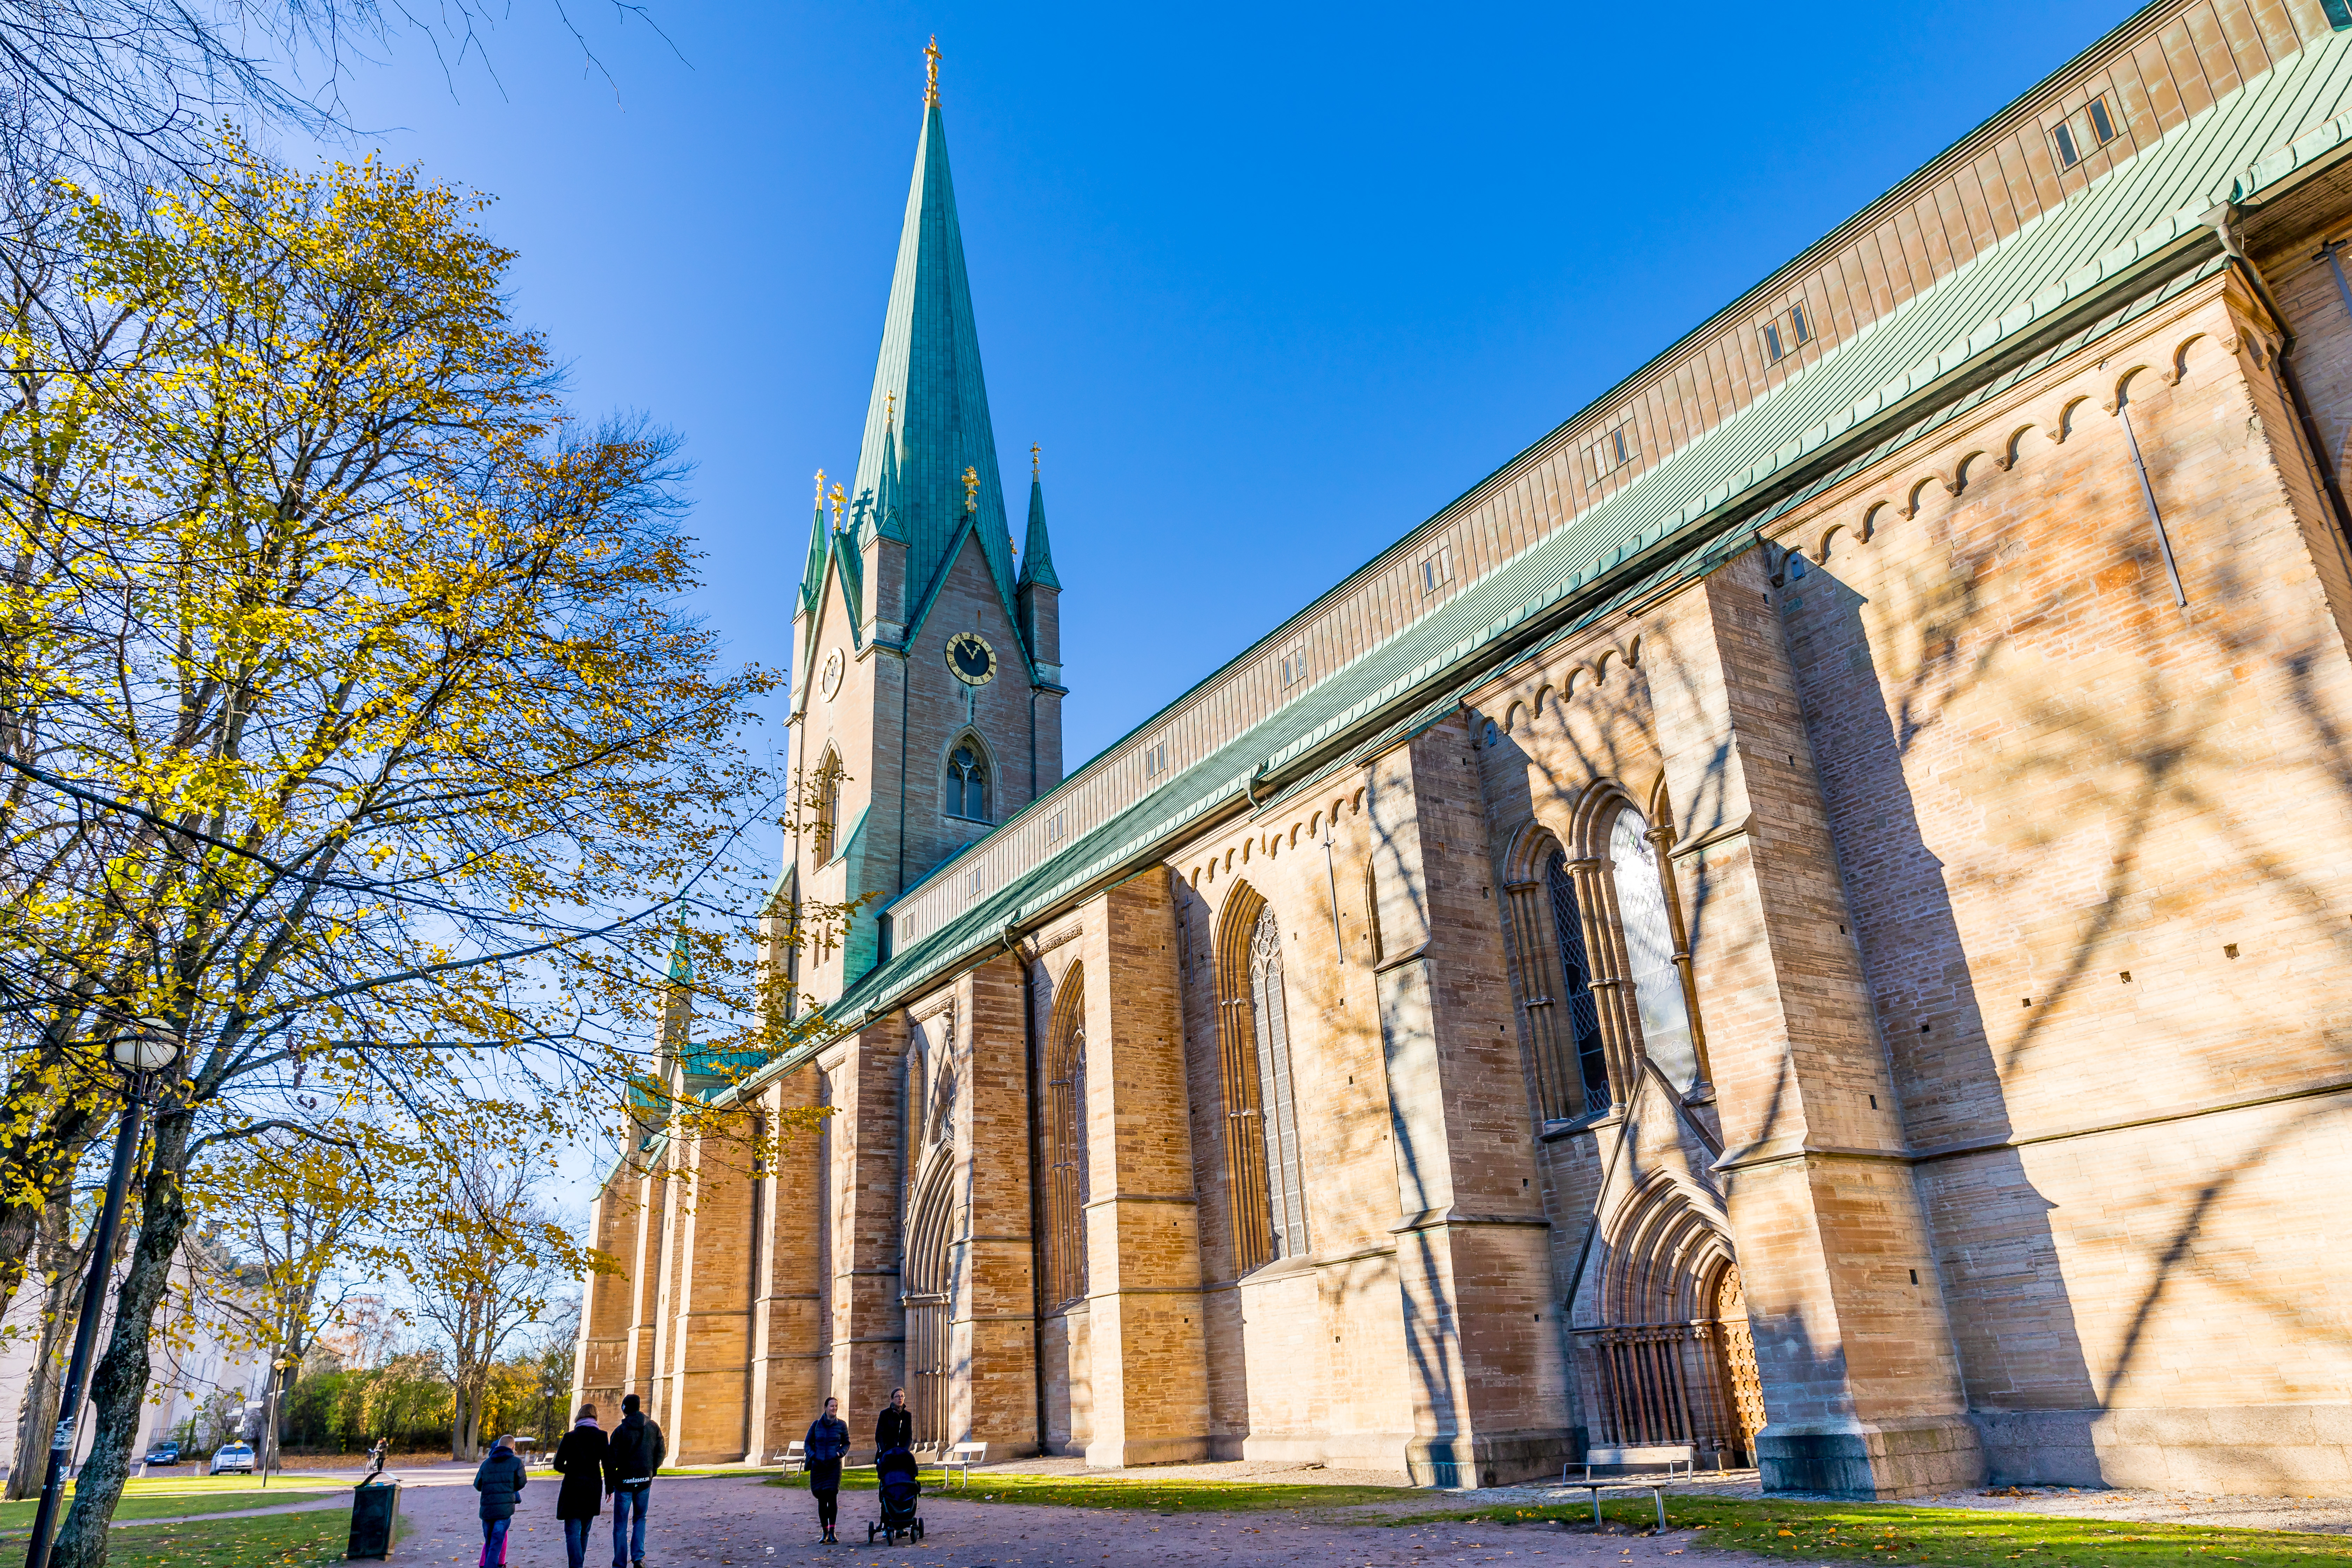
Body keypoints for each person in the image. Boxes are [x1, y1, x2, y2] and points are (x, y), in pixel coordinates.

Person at [603, 1392, 666, 1568]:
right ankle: (638, 1558)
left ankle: (620, 1563)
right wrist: (652, 1471)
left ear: (625, 1410)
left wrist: (610, 1485)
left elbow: (611, 1461)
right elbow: (661, 1452)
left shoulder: (620, 1431)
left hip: (624, 1483)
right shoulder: (653, 1427)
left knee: (621, 1524)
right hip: (644, 1481)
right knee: (640, 1518)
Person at [550, 1405, 610, 1568]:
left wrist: (572, 1469)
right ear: (595, 1417)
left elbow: (557, 1464)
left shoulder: (570, 1437)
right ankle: (578, 1565)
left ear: (579, 1417)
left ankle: (576, 1566)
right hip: (593, 1487)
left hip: (573, 1487)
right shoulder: (602, 1436)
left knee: (572, 1532)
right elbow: (608, 1465)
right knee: (584, 1531)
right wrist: (610, 1488)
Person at [473, 1434, 528, 1568]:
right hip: (504, 1511)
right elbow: (522, 1483)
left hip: (487, 1511)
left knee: (490, 1543)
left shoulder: (486, 1464)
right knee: (496, 1545)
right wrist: (509, 1488)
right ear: (513, 1447)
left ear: (498, 1446)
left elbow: (478, 1485)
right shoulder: (516, 1463)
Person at [801, 1397, 850, 1545]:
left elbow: (847, 1443)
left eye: (836, 1406)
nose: (834, 1409)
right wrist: (813, 1455)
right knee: (822, 1499)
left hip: (833, 1466)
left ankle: (833, 1532)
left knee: (832, 1497)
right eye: (832, 1406)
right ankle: (825, 1532)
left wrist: (840, 1453)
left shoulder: (841, 1425)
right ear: (825, 1407)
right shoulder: (816, 1425)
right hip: (819, 1467)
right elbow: (808, 1443)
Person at [875, 1387, 912, 1454]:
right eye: (897, 1396)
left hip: (902, 1452)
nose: (900, 1398)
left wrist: (905, 1450)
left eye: (902, 1396)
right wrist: (883, 1450)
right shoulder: (885, 1414)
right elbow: (879, 1435)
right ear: (892, 1399)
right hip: (887, 1451)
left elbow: (909, 1436)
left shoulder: (907, 1415)